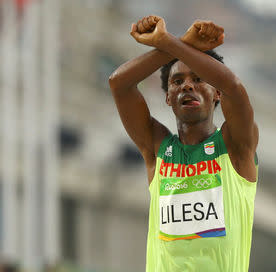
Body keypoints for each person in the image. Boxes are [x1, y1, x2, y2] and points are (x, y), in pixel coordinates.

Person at [109, 15, 259, 272]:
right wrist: (177, 44)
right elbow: (119, 83)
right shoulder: (157, 150)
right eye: (177, 82)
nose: (187, 85)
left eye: (199, 79)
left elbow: (234, 86)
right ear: (168, 97)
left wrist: (169, 42)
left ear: (217, 94)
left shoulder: (235, 144)